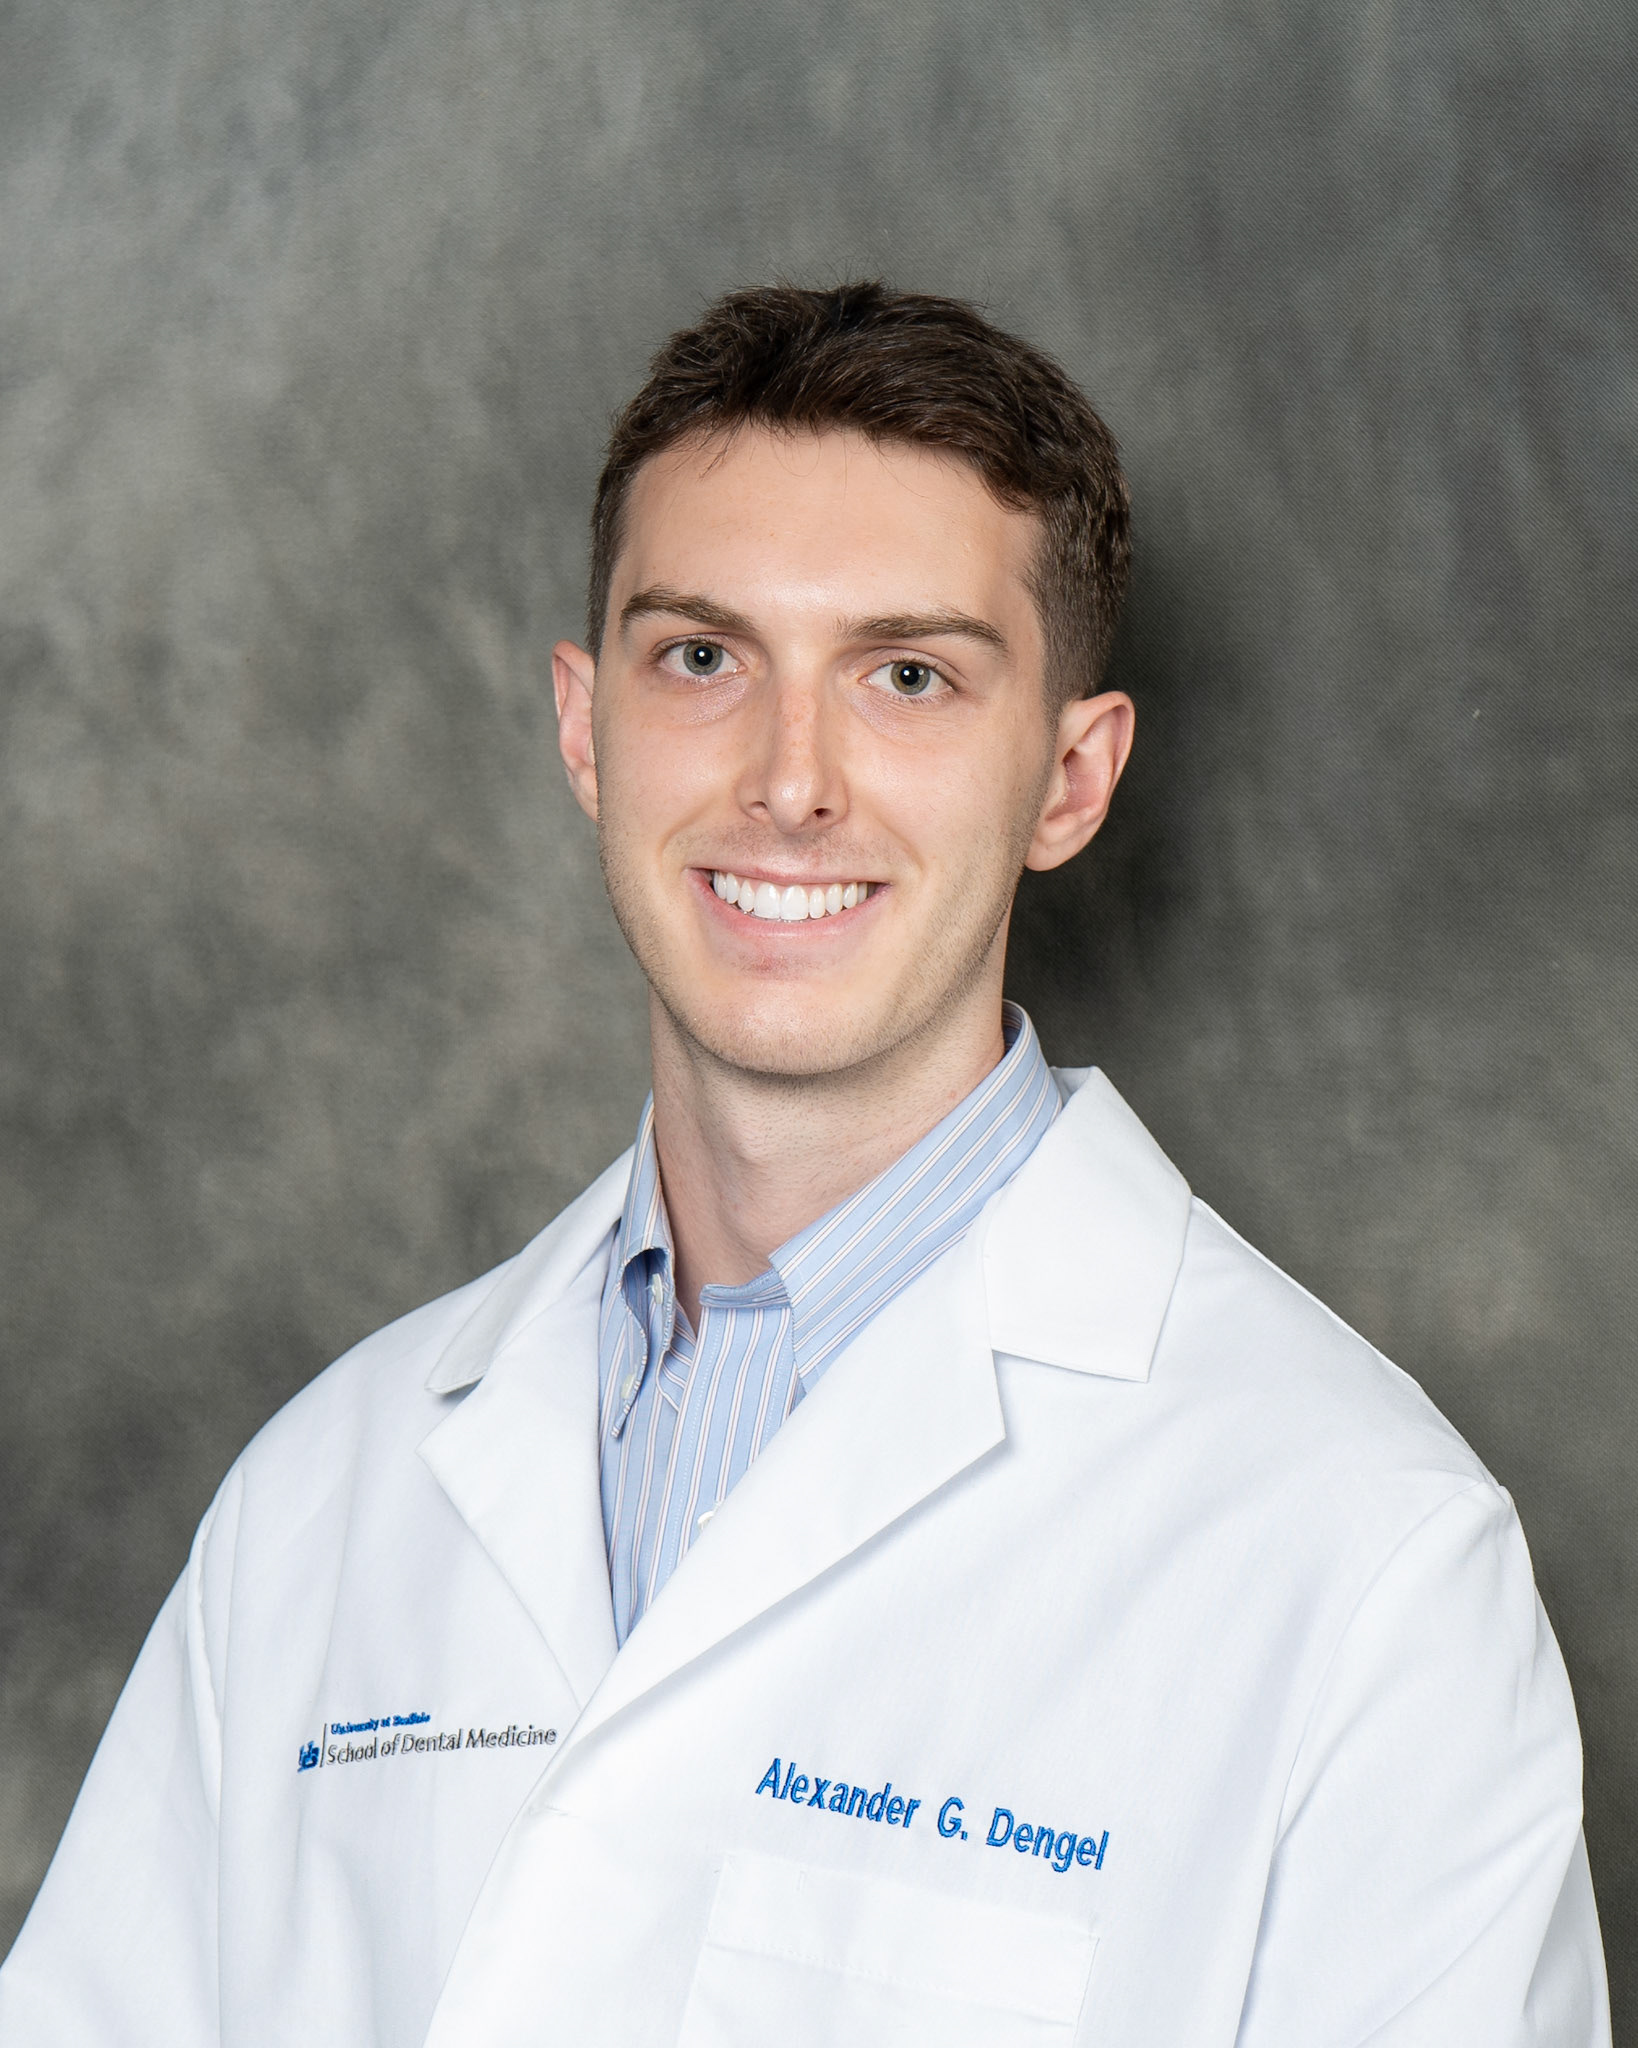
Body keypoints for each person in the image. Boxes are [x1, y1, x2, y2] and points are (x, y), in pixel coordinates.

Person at [0, 281, 1610, 2047]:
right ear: (585, 727)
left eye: (907, 677)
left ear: (1069, 779)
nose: (790, 782)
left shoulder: (1362, 1557)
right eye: (702, 658)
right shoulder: (322, 1499)